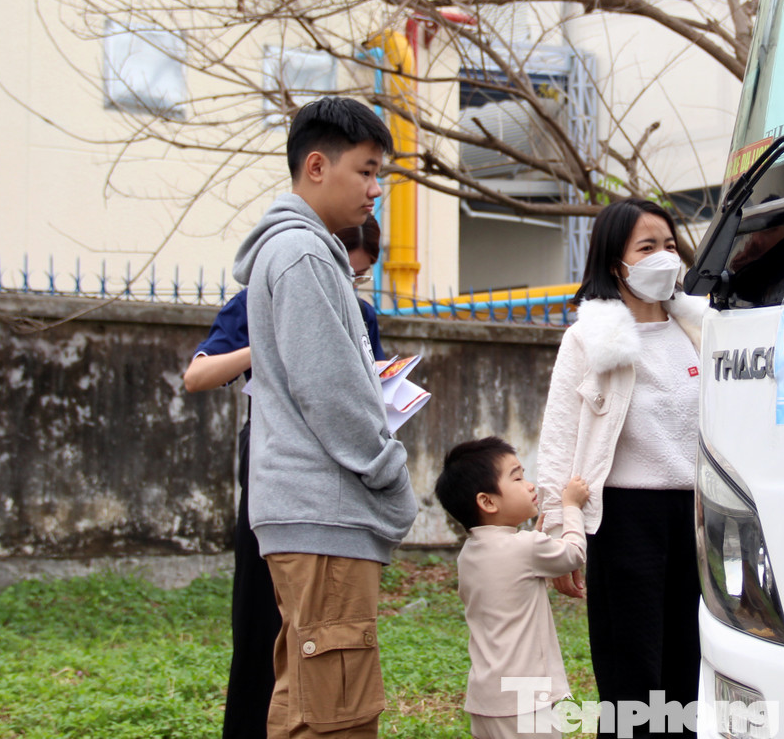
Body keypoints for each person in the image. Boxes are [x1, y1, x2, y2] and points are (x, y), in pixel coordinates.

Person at [232, 96, 417, 739]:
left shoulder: (306, 253)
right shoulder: (303, 255)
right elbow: (331, 391)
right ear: (317, 166)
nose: (375, 190)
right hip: (324, 513)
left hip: (312, 513)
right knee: (336, 714)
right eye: (365, 171)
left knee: (308, 704)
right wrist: (390, 475)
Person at [184, 218, 389, 739]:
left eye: (357, 277)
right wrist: (273, 343)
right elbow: (198, 375)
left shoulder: (360, 314)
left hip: (339, 468)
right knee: (261, 613)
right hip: (276, 462)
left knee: (326, 624)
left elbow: (371, 389)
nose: (347, 285)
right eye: (343, 272)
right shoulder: (262, 298)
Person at [535, 198, 708, 739]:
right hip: (624, 520)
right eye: (647, 247)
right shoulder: (590, 339)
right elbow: (559, 436)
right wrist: (555, 528)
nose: (664, 256)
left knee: (690, 665)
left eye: (670, 244)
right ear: (617, 264)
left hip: (696, 518)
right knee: (632, 671)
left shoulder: (701, 330)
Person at [434, 437, 590, 739]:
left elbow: (515, 566)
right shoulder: (525, 548)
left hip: (485, 698)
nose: (530, 485)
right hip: (527, 699)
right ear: (488, 502)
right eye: (517, 478)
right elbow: (573, 554)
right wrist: (572, 507)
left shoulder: (469, 554)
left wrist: (538, 536)